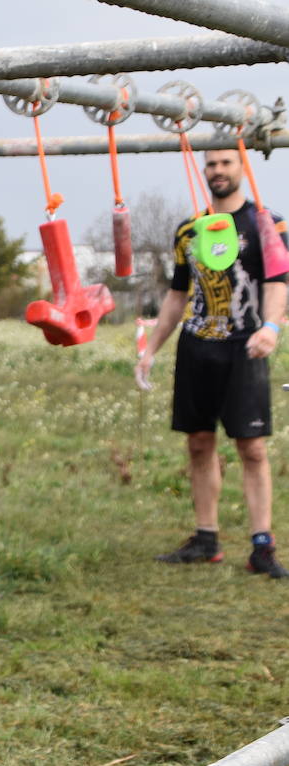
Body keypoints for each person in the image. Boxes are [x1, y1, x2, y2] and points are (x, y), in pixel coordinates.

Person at [136, 148, 288, 578]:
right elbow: (178, 294)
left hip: (246, 346)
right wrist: (152, 349)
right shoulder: (189, 230)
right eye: (211, 164)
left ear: (242, 167)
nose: (217, 171)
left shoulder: (268, 224)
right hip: (197, 347)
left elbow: (278, 282)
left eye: (225, 163)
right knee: (199, 443)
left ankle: (262, 546)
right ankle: (207, 539)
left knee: (252, 448)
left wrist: (271, 328)